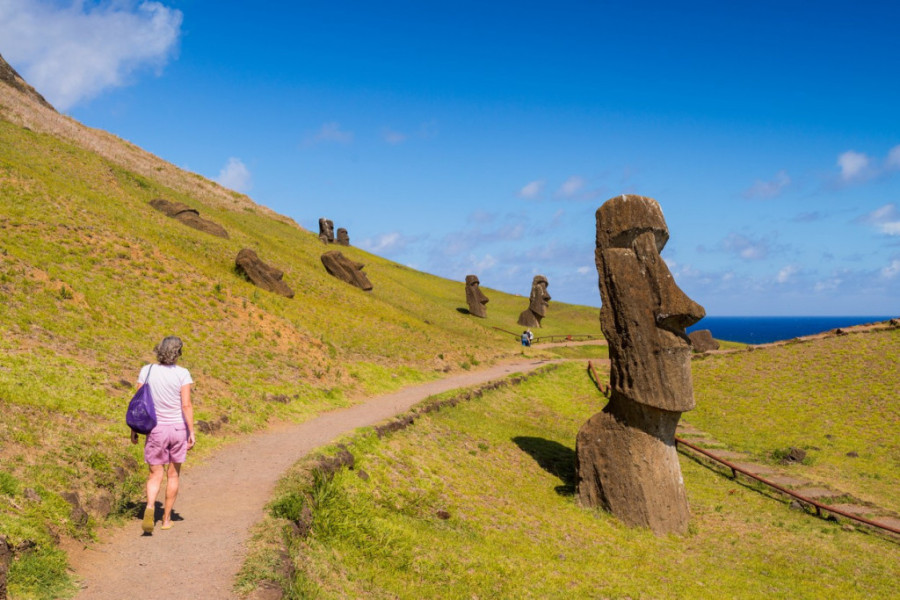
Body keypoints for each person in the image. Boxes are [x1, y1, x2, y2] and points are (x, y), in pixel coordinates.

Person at [131, 336, 196, 533]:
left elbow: (138, 403)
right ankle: (166, 519)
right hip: (177, 429)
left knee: (155, 474)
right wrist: (191, 431)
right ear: (178, 353)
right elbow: (186, 405)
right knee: (173, 474)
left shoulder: (147, 370)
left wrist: (134, 429)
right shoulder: (183, 374)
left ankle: (150, 507)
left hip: (155, 429)